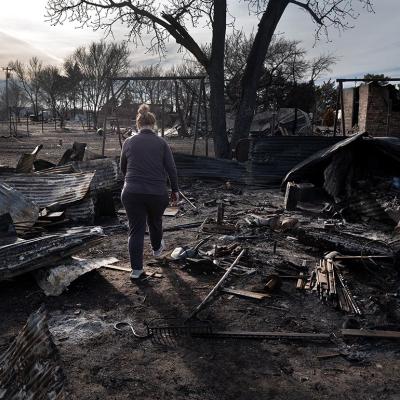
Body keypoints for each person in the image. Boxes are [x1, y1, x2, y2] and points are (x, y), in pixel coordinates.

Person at [120, 104, 179, 280]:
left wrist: (131, 182)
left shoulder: (128, 142)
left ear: (138, 124)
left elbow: (123, 167)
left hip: (131, 192)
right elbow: (171, 169)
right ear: (152, 124)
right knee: (155, 220)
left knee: (136, 230)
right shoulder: (161, 142)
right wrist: (175, 190)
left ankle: (136, 271)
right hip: (157, 192)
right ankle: (156, 249)